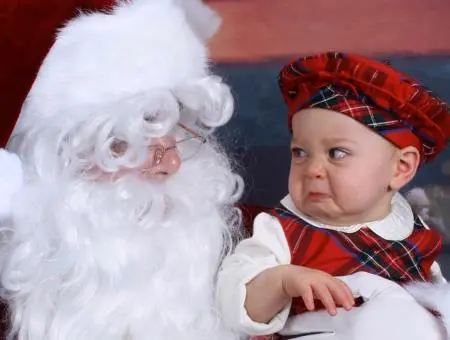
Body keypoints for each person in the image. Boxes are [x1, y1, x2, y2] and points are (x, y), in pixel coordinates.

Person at [0, 1, 244, 339]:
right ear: (54, 162)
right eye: (121, 146)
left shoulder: (254, 259)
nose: (170, 165)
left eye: (178, 133)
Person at [217, 52, 450, 339]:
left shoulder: (412, 228)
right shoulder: (281, 230)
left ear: (400, 168)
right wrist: (283, 281)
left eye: (337, 153)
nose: (312, 169)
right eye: (300, 153)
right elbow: (236, 303)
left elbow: (434, 293)